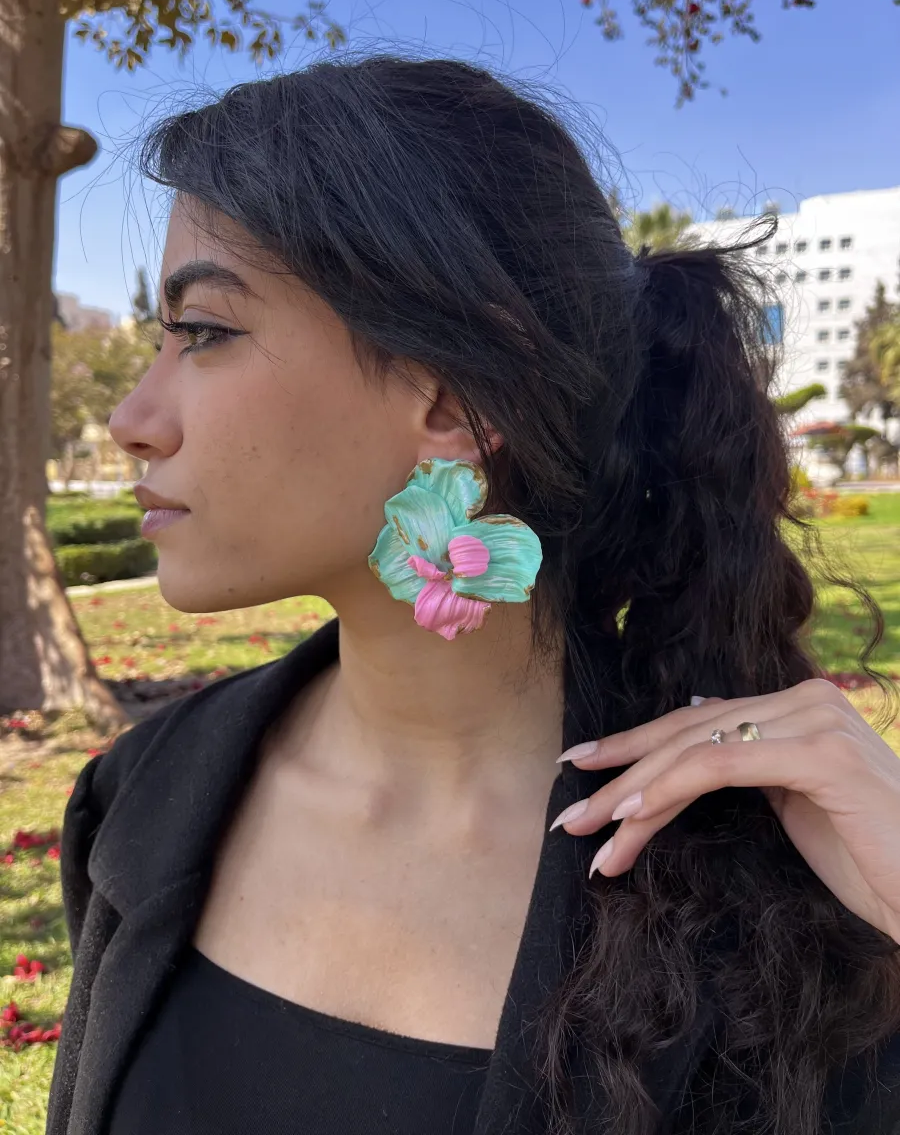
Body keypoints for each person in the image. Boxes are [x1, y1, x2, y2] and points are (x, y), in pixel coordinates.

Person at [47, 56, 900, 1135]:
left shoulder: (775, 893)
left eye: (204, 332)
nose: (131, 418)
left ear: (453, 402)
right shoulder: (138, 802)